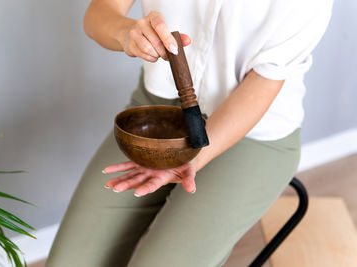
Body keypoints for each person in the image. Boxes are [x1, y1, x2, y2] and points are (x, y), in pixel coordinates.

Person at [46, 0, 333, 266]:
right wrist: (127, 33)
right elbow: (99, 13)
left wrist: (193, 158)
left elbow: (263, 83)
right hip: (156, 115)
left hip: (253, 134)